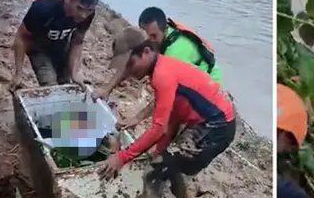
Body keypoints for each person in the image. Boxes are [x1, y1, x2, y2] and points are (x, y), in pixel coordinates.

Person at [99, 34, 236, 198]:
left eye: (131, 63)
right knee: (166, 162)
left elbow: (158, 128)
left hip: (215, 127)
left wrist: (122, 157)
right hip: (209, 122)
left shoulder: (162, 75)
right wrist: (158, 150)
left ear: (146, 52)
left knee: (154, 173)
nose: (129, 71)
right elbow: (171, 118)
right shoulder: (163, 68)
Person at [93, 9, 223, 129]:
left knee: (175, 115)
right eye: (147, 36)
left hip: (208, 85)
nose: (151, 41)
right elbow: (130, 61)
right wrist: (107, 88)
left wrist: (137, 118)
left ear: (165, 29)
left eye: (154, 36)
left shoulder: (175, 53)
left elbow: (164, 94)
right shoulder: (153, 39)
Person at [9, 0, 99, 90]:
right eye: (79, 8)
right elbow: (21, 38)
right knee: (51, 88)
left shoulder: (89, 14)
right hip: (38, 47)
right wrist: (18, 74)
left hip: (61, 46)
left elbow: (78, 41)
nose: (83, 15)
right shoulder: (43, 8)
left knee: (66, 85)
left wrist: (75, 73)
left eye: (89, 10)